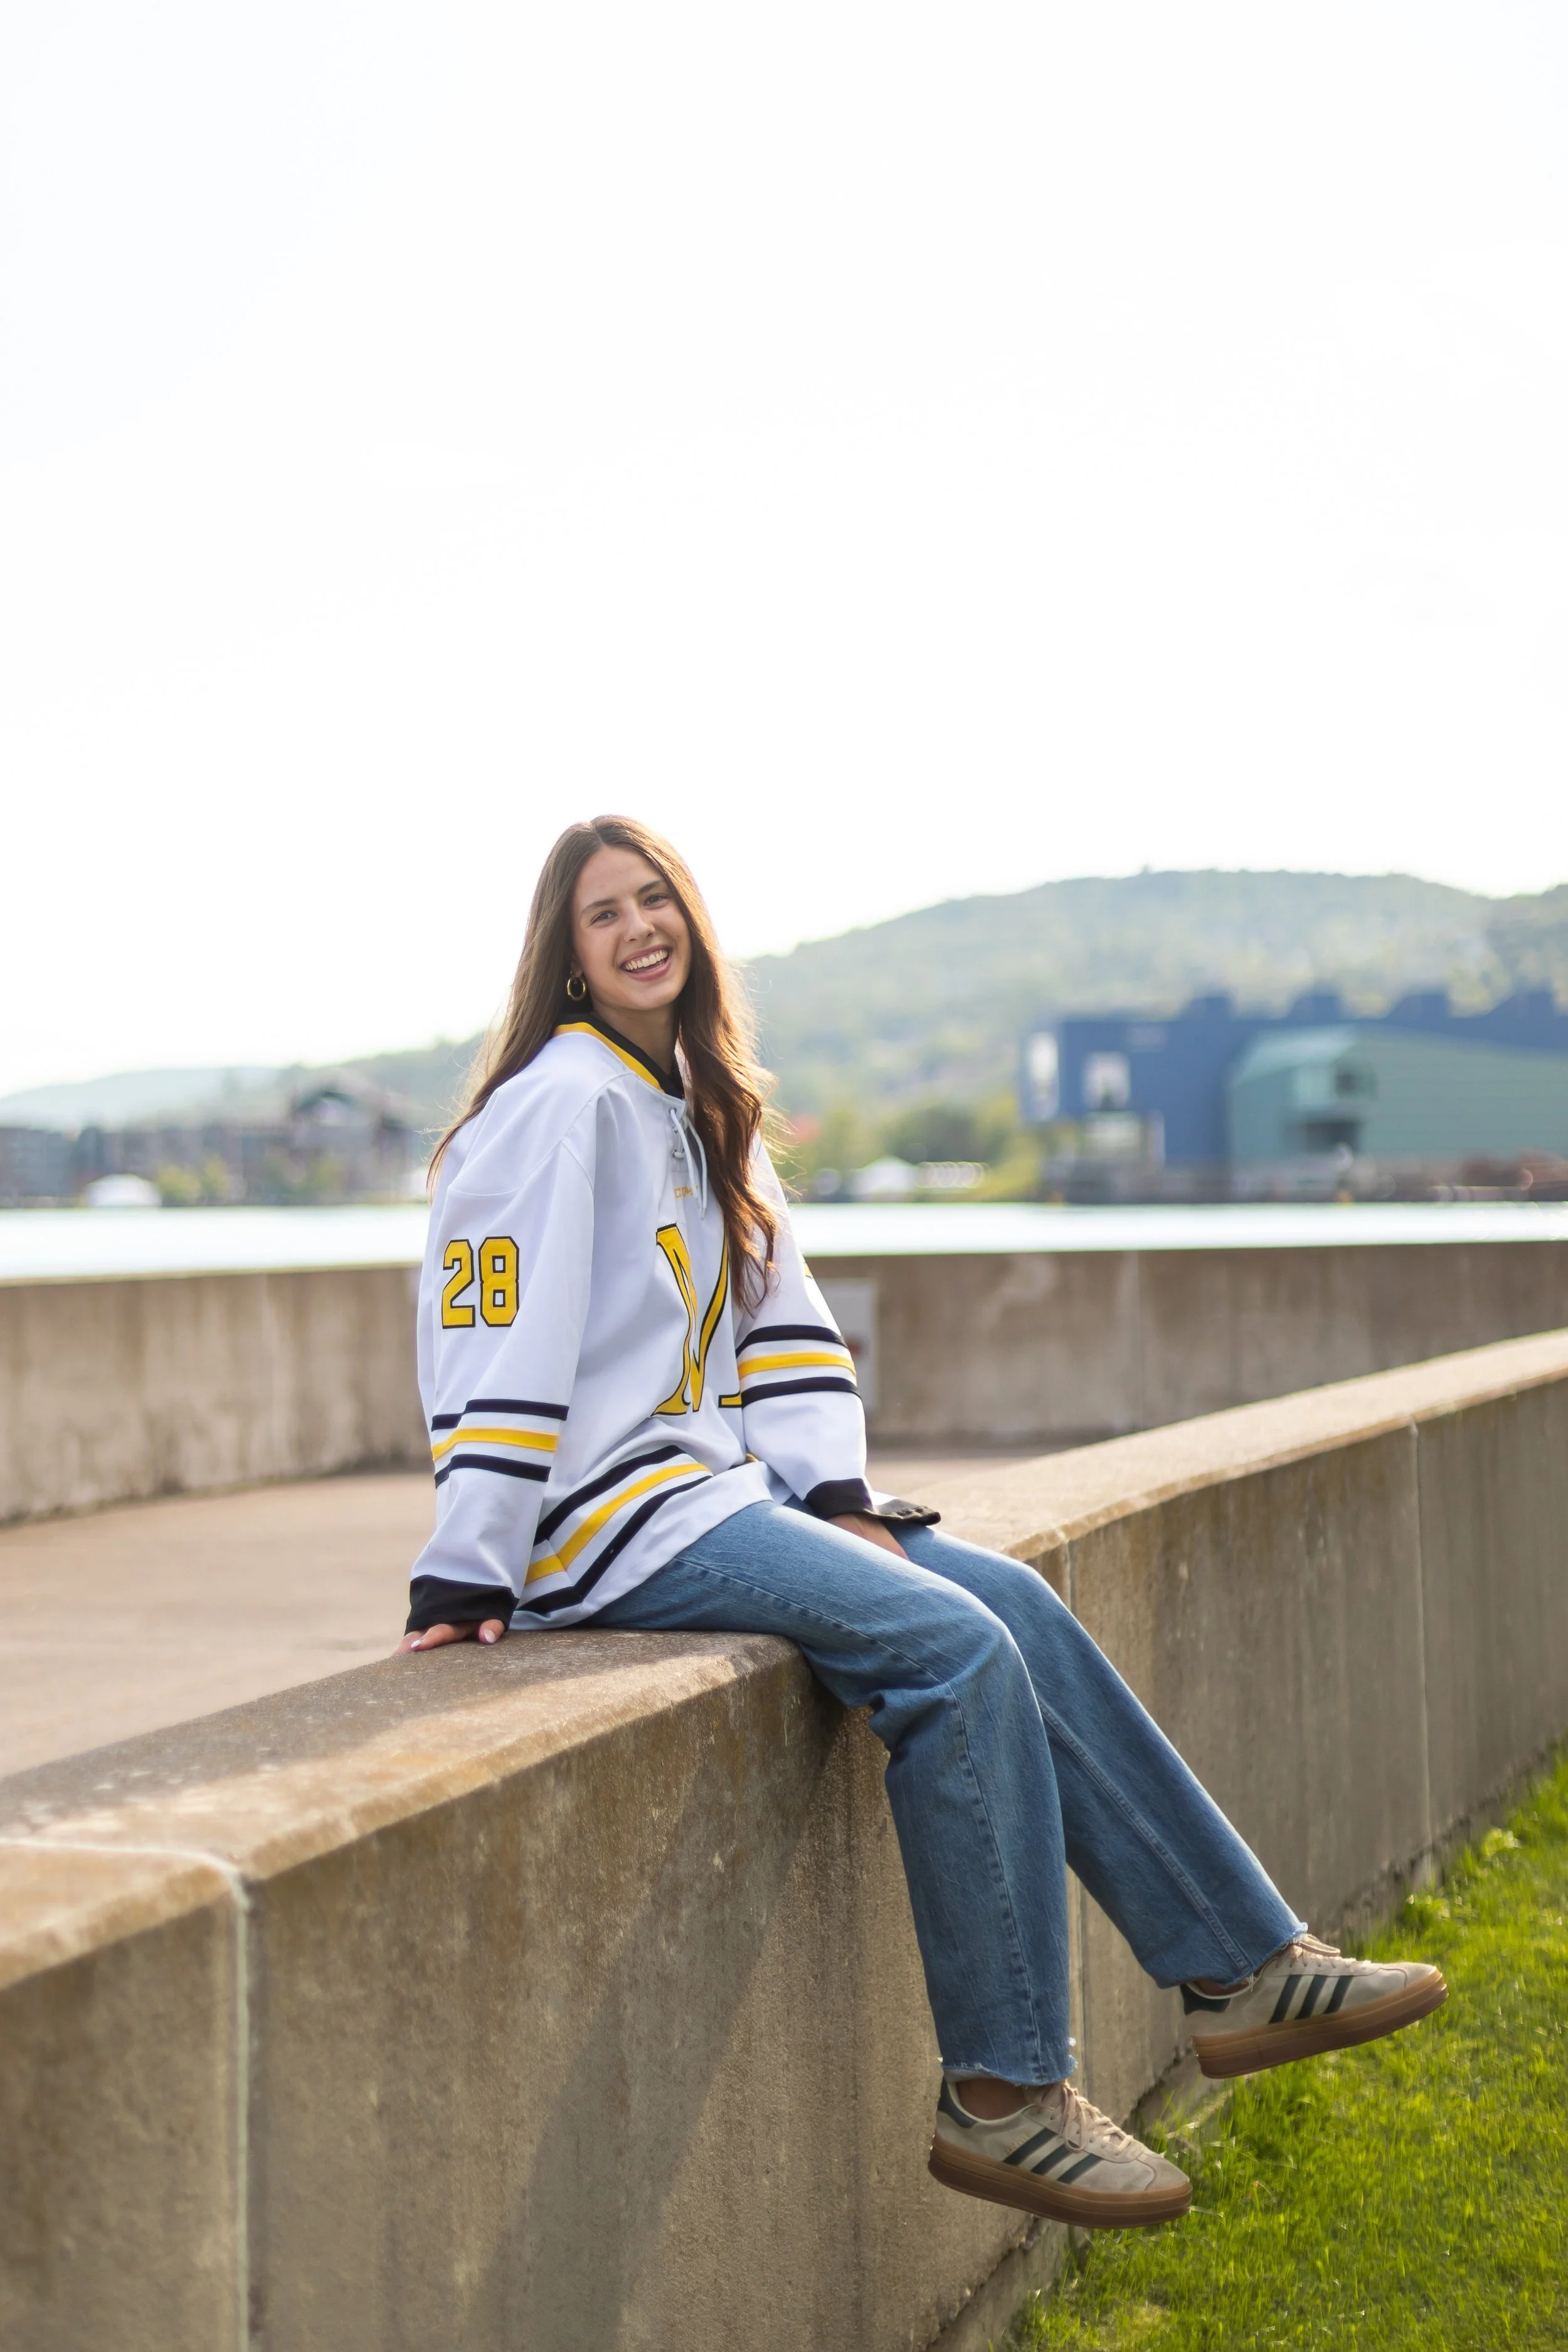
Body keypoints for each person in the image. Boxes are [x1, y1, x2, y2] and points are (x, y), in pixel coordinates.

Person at [398, 815, 1447, 2230]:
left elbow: (784, 1327)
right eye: (604, 914)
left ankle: (1238, 1966)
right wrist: (463, 1567)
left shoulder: (701, 1099)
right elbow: (493, 1342)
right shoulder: (557, 1102)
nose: (641, 927)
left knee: (1005, 1599)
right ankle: (1002, 2098)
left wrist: (835, 1496)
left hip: (719, 1492)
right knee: (948, 1649)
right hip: (606, 1525)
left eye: (659, 899)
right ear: (566, 959)